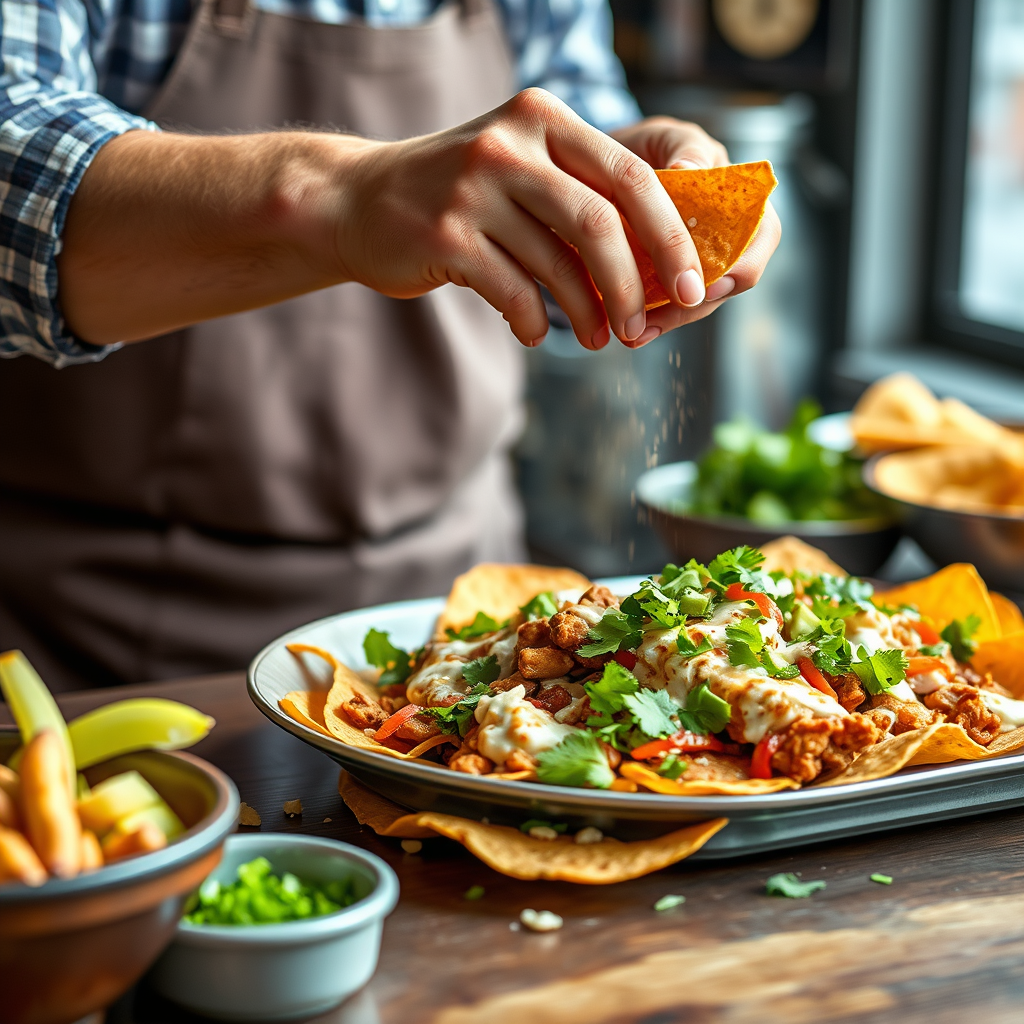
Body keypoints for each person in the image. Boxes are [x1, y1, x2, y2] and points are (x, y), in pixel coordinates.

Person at [0, 0, 780, 691]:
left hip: (467, 620)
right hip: (112, 647)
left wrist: (627, 198)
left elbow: (562, 165)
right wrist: (341, 197)